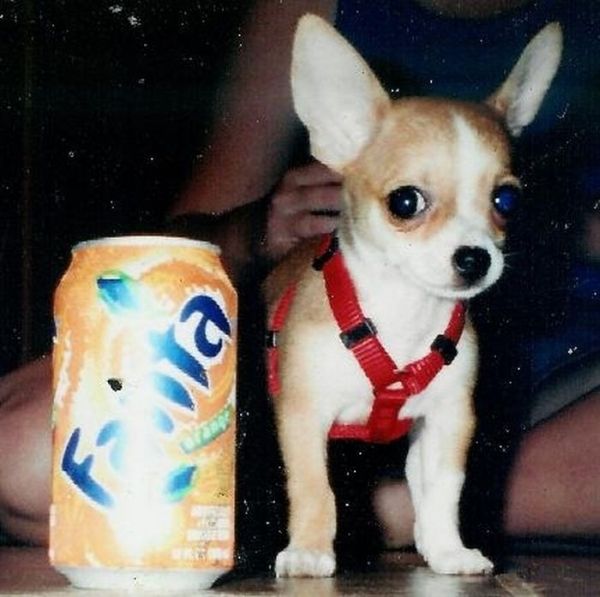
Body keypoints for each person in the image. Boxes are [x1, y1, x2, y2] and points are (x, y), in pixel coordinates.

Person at [1, 0, 599, 557]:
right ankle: (353, 510)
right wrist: (258, 225)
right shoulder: (307, 9)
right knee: (23, 457)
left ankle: (386, 515)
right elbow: (180, 248)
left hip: (556, 393)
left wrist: (558, 227)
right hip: (319, 352)